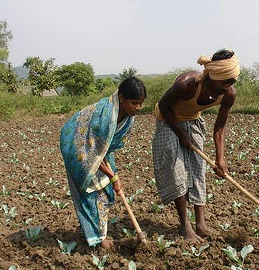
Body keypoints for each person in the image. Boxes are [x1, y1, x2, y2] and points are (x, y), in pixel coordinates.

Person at [152, 49, 240, 242]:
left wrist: (220, 158)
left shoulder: (228, 94)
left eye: (231, 81)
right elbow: (164, 106)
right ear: (211, 75)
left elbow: (220, 126)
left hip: (193, 120)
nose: (227, 86)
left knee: (199, 170)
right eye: (224, 81)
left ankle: (201, 224)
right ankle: (185, 226)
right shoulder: (187, 85)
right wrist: (181, 134)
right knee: (176, 170)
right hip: (168, 120)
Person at [60, 77, 147, 249]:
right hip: (77, 146)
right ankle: (97, 239)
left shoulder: (127, 115)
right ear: (121, 98)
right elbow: (92, 152)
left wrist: (112, 177)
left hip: (98, 149)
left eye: (141, 103)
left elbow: (104, 147)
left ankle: (100, 234)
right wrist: (113, 176)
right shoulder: (105, 117)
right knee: (91, 192)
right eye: (134, 103)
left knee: (105, 191)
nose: (138, 108)